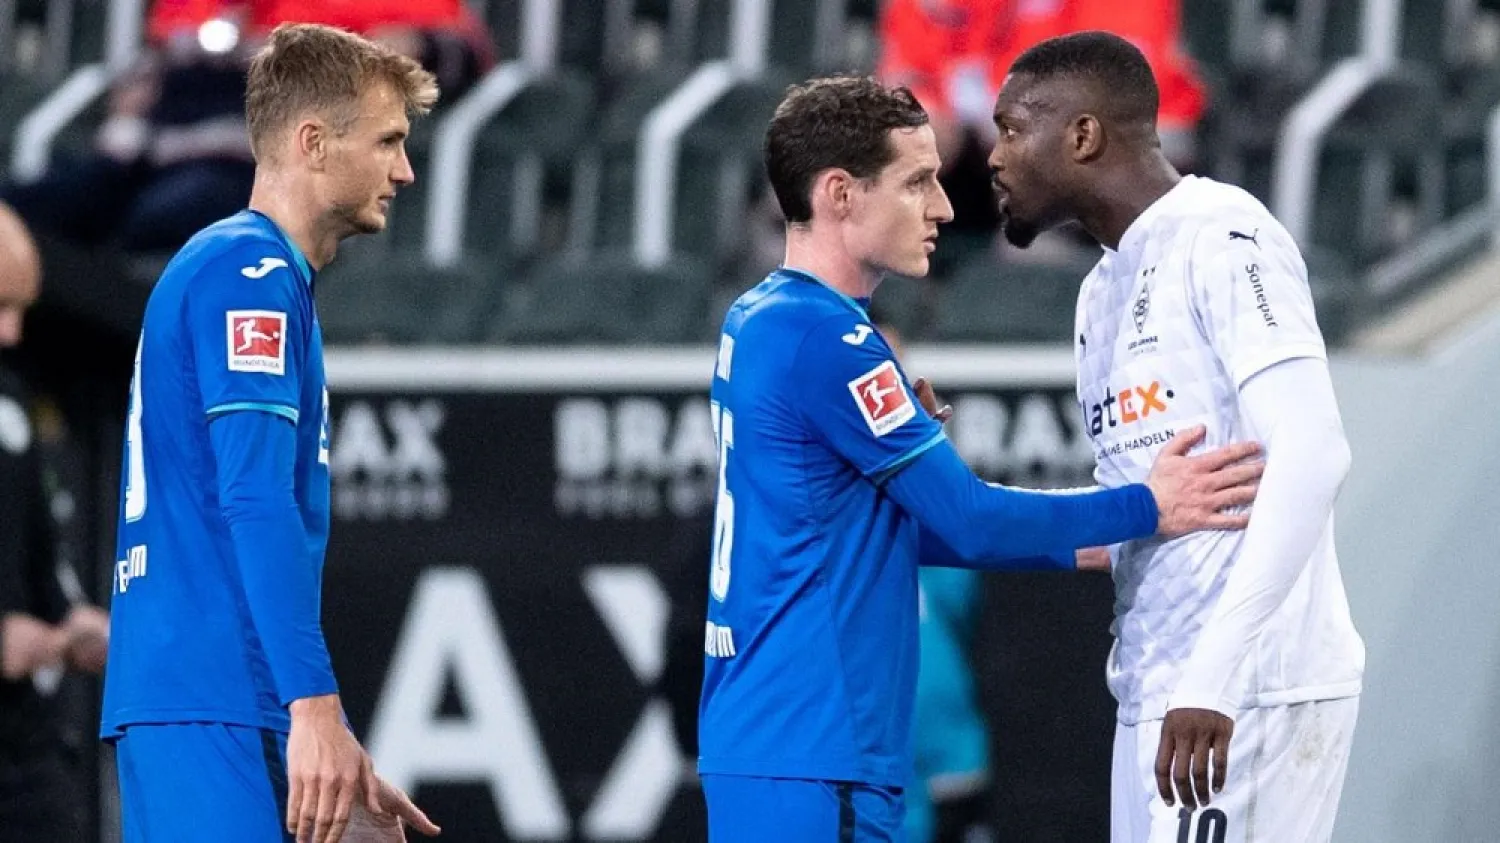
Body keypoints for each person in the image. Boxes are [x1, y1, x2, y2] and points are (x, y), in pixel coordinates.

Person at [698, 74, 1266, 842]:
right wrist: (1146, 505)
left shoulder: (758, 317)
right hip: (816, 747)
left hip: (776, 744)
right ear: (839, 193)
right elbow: (967, 520)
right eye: (916, 183)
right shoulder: (828, 341)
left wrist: (1083, 538)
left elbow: (839, 526)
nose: (943, 207)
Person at [987, 31, 1364, 843]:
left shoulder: (1225, 233)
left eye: (1014, 128)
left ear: (1083, 136)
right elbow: (1145, 509)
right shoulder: (1098, 293)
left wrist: (1216, 673)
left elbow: (1314, 452)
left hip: (1249, 691)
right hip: (1157, 692)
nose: (994, 156)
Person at [100, 23, 443, 843]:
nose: (405, 170)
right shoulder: (246, 272)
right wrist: (312, 706)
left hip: (218, 693)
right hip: (208, 696)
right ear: (313, 142)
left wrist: (316, 729)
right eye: (388, 141)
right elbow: (253, 498)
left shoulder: (252, 272)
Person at [0, 200, 112, 842]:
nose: (13, 333)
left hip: (26, 750)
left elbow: (41, 552)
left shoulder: (11, 408)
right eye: (0, 310)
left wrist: (73, 620)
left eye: (20, 312)